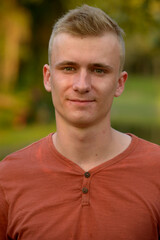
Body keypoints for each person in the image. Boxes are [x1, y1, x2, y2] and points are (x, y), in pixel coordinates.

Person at [0, 4, 160, 240]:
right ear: (48, 77)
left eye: (98, 70)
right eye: (68, 68)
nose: (82, 85)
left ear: (120, 83)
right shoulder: (8, 177)